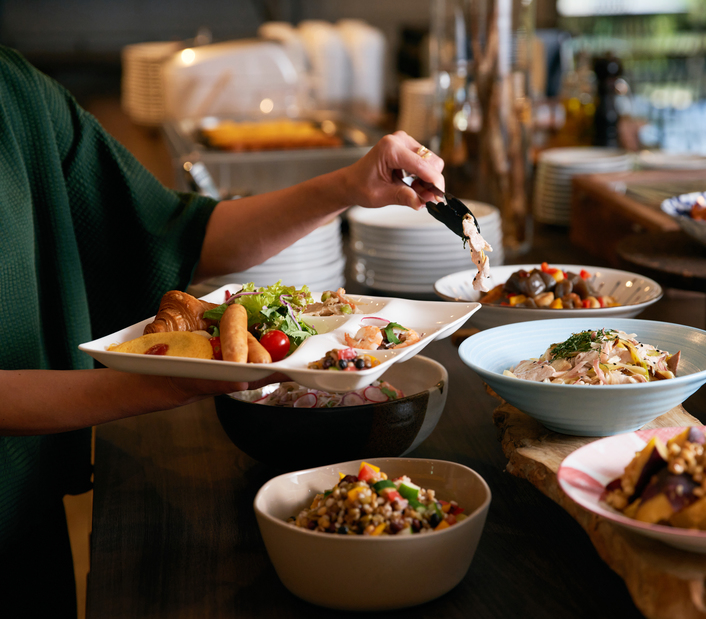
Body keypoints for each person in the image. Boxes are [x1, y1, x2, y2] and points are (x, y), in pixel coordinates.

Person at [0, 45, 445, 616]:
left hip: (28, 513)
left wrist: (349, 186)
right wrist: (165, 382)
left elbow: (181, 233)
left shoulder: (17, 91)